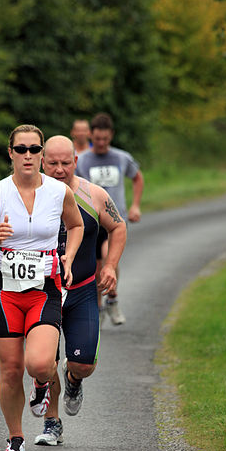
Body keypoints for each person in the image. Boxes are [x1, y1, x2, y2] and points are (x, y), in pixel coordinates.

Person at [0, 125, 84, 451]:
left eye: (35, 149)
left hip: (44, 289)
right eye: (21, 149)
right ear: (11, 153)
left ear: (42, 154)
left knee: (39, 363)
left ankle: (42, 383)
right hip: (4, 292)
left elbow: (76, 225)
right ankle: (15, 438)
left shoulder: (58, 192)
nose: (28, 156)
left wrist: (68, 256)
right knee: (10, 369)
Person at [35, 135, 127, 445]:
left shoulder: (93, 194)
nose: (59, 169)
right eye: (53, 163)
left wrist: (111, 265)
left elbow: (118, 227)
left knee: (83, 363)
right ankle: (52, 422)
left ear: (76, 161)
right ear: (41, 161)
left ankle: (73, 379)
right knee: (44, 363)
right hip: (42, 292)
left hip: (83, 290)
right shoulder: (28, 196)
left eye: (65, 163)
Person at [76, 112, 144, 325]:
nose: (102, 143)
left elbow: (137, 177)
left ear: (111, 135)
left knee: (108, 258)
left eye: (105, 139)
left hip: (115, 220)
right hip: (91, 222)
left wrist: (135, 205)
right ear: (90, 136)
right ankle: (98, 308)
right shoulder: (83, 160)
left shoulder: (121, 157)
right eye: (97, 139)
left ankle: (112, 298)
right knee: (95, 268)